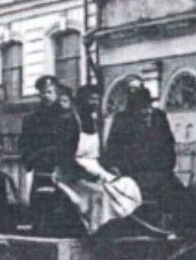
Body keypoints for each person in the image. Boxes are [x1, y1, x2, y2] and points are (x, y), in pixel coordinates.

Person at [63, 85, 142, 233]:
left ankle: (120, 225)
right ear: (81, 101)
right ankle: (97, 230)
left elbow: (99, 154)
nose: (95, 103)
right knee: (101, 193)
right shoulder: (70, 122)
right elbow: (65, 157)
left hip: (95, 166)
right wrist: (85, 175)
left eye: (97, 99)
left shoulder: (94, 122)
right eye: (91, 99)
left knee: (127, 185)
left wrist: (109, 167)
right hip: (72, 173)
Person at [103, 83, 180, 216]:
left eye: (148, 106)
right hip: (135, 173)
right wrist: (118, 169)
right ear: (134, 108)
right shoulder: (122, 120)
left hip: (161, 172)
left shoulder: (159, 117)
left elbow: (169, 143)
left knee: (180, 195)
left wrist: (168, 166)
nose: (147, 111)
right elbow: (113, 148)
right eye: (142, 107)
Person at [18, 75, 80, 202]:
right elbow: (24, 143)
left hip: (63, 169)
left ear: (56, 93)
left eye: (49, 92)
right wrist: (32, 159)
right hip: (41, 168)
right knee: (41, 205)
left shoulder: (68, 118)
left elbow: (73, 143)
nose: (46, 95)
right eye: (43, 92)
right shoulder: (31, 119)